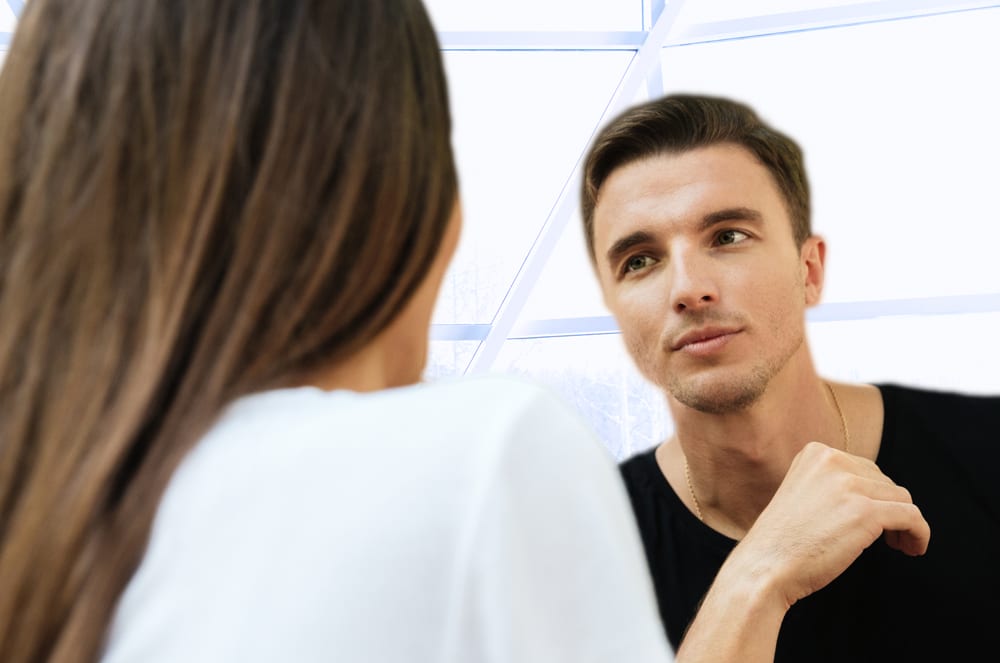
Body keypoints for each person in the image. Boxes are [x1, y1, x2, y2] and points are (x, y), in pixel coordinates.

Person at [580, 92, 999, 661]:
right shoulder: (581, 549)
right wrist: (757, 577)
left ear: (809, 271)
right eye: (640, 260)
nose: (686, 288)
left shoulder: (985, 451)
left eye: (728, 236)